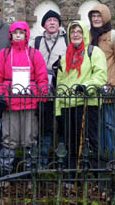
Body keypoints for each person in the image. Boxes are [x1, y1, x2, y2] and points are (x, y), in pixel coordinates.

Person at [0, 21, 48, 179]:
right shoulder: (4, 54)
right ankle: (6, 174)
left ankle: (29, 174)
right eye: (15, 32)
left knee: (29, 140)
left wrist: (40, 98)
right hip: (10, 105)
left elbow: (42, 79)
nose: (18, 35)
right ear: (11, 35)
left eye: (21, 32)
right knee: (8, 140)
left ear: (26, 35)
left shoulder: (34, 54)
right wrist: (1, 96)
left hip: (30, 104)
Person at [55, 20, 107, 171]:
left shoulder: (94, 52)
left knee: (89, 141)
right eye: (72, 32)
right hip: (68, 106)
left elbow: (100, 75)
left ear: (84, 33)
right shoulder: (65, 58)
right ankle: (72, 174)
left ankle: (94, 174)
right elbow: (60, 85)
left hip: (87, 104)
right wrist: (58, 110)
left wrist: (86, 88)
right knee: (70, 143)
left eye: (79, 31)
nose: (75, 34)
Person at [88, 4, 115, 163]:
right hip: (92, 90)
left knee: (111, 125)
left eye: (99, 16)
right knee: (97, 127)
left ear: (105, 17)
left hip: (109, 88)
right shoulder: (89, 36)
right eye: (93, 16)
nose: (96, 19)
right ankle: (102, 160)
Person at [34, 10, 68, 167]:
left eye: (55, 20)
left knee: (63, 125)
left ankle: (61, 161)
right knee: (44, 126)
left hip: (62, 87)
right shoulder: (37, 41)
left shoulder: (66, 39)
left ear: (59, 24)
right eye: (49, 21)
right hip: (42, 88)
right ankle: (42, 161)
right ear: (44, 24)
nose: (52, 23)